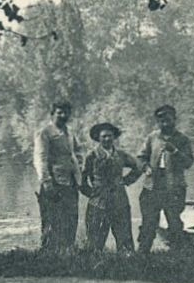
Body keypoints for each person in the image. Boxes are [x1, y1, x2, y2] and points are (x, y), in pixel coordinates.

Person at [136, 103, 194, 253]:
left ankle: (176, 255)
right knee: (149, 222)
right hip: (152, 187)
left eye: (168, 120)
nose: (165, 123)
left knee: (174, 222)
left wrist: (175, 151)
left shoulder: (182, 140)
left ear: (174, 119)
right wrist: (146, 167)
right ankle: (142, 255)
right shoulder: (152, 138)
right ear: (157, 122)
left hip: (174, 187)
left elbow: (188, 163)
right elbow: (141, 157)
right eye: (161, 121)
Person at [81, 122, 143, 252]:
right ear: (98, 138)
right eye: (104, 136)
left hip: (119, 200)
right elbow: (82, 177)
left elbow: (138, 167)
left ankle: (126, 262)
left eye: (110, 136)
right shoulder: (91, 156)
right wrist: (91, 192)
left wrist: (126, 180)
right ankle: (93, 262)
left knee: (124, 236)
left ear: (114, 137)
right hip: (98, 202)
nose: (107, 139)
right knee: (94, 237)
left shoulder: (121, 155)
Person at [32, 100, 81, 252]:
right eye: (59, 112)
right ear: (52, 114)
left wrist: (78, 166)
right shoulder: (45, 133)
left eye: (66, 112)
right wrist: (47, 183)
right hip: (54, 184)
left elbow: (77, 151)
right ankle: (49, 256)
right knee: (51, 222)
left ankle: (68, 253)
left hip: (70, 183)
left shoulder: (69, 132)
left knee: (70, 219)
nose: (63, 115)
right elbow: (40, 159)